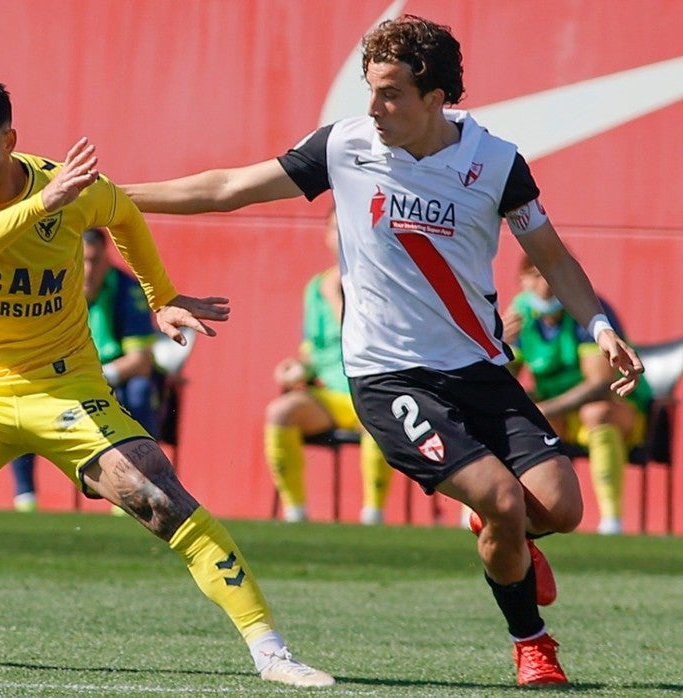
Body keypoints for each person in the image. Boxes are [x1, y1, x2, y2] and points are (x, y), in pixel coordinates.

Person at [120, 15, 643, 687]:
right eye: (370, 90)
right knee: (503, 504)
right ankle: (532, 643)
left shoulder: (495, 162)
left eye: (391, 92)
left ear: (436, 97)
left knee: (560, 509)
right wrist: (112, 199)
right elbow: (227, 188)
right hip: (388, 377)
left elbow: (551, 256)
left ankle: (503, 544)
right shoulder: (345, 146)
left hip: (480, 370)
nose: (374, 107)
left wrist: (599, 325)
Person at [0, 75, 333, 688]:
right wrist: (44, 204)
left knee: (160, 497)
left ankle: (270, 650)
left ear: (9, 140)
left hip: (66, 389)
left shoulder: (66, 187)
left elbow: (123, 213)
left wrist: (160, 295)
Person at [8, 227, 161, 513]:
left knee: (140, 392)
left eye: (95, 261)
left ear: (107, 258)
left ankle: (136, 487)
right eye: (82, 261)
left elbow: (140, 359)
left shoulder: (127, 290)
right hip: (57, 377)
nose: (88, 271)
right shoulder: (49, 287)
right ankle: (25, 498)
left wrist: (100, 377)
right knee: (18, 395)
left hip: (113, 377)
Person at [505, 257, 653, 536]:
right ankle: (516, 511)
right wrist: (497, 345)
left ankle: (612, 522)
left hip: (617, 405)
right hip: (558, 414)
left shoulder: (587, 312)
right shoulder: (519, 314)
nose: (545, 285)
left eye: (550, 274)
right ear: (522, 281)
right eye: (536, 276)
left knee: (595, 413)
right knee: (515, 418)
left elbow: (600, 383)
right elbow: (502, 380)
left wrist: (543, 410)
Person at [266, 209, 391, 525]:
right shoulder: (316, 287)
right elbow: (314, 350)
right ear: (326, 236)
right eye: (336, 229)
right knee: (279, 412)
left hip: (372, 391)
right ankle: (295, 514)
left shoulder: (380, 282)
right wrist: (298, 367)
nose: (342, 237)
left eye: (348, 228)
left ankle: (372, 516)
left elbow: (365, 342)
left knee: (378, 421)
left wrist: (335, 296)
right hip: (330, 397)